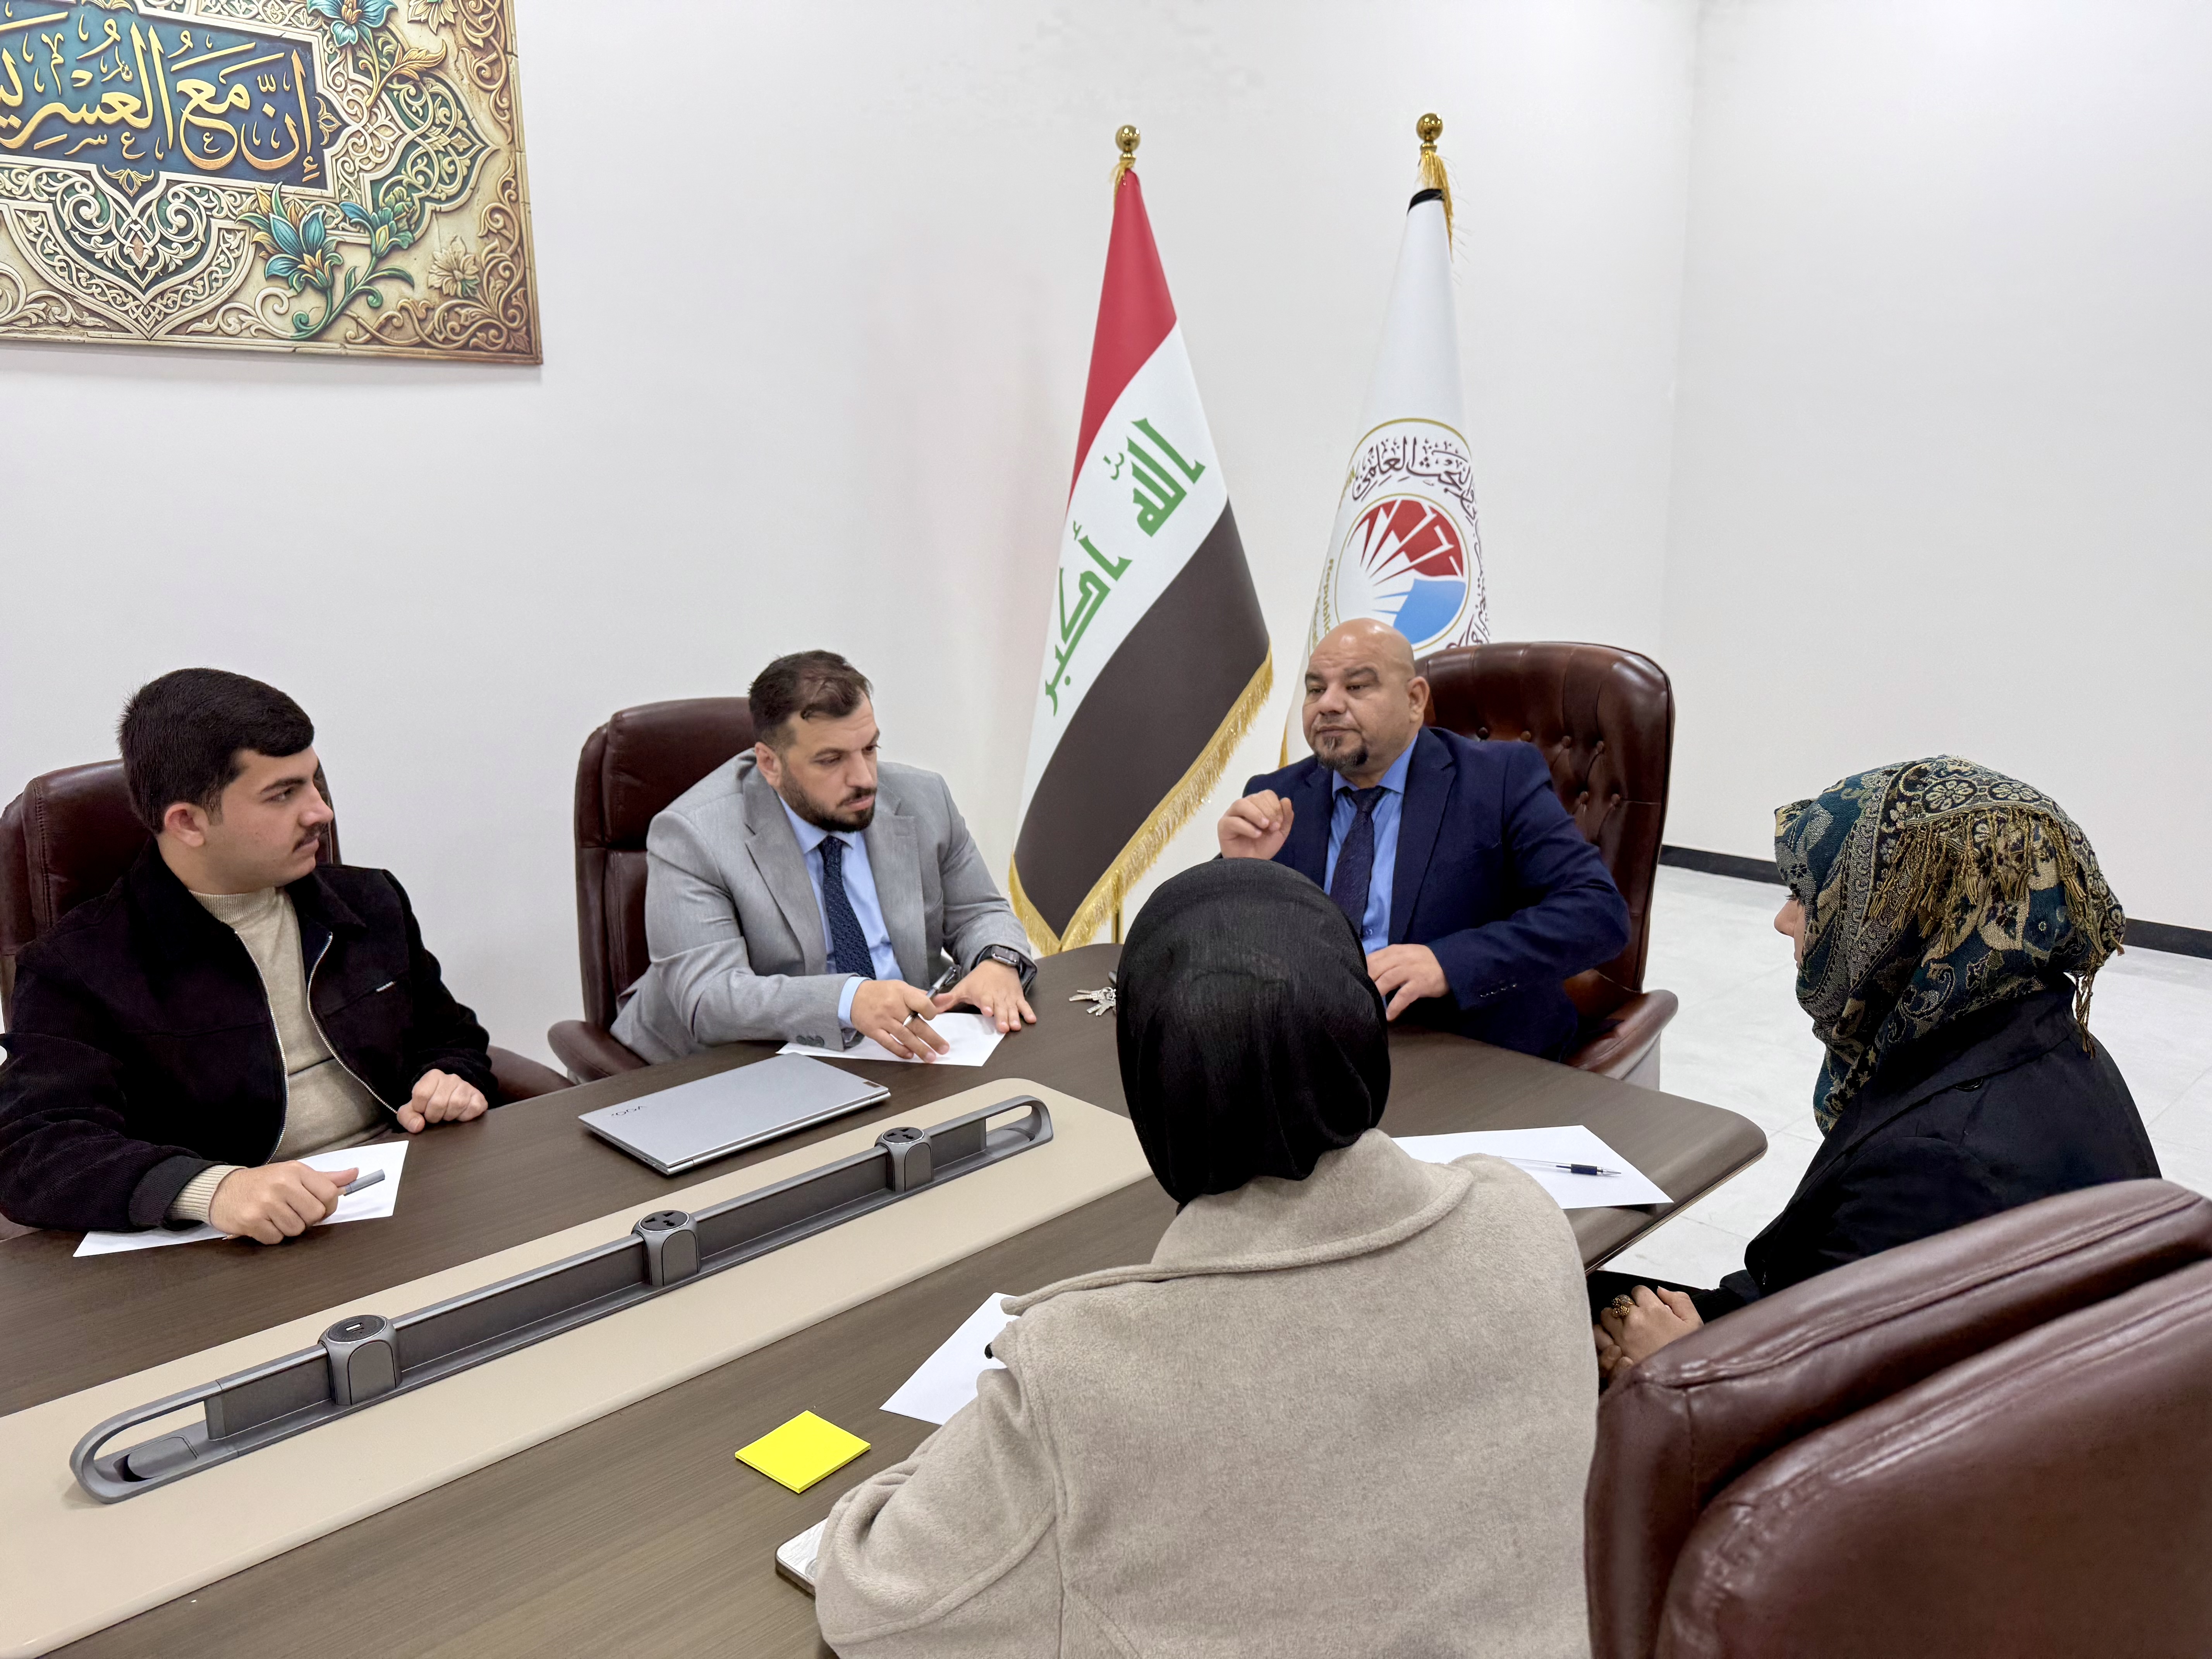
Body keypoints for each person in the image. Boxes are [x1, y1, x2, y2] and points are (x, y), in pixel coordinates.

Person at [813, 860, 1598, 1658]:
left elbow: (867, 1597)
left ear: (1147, 1079)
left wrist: (1012, 1419)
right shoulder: (1524, 1217)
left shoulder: (1082, 1377)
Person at [1592, 756, 2158, 1384]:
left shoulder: (1936, 1158)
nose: (1783, 921)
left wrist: (1684, 1361)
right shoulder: (2039, 1032)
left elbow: (1853, 1400)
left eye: (1808, 898)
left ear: (1900, 925)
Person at [0, 670, 499, 1240]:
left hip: (409, 1195)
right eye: (283, 794)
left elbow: (452, 1036)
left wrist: (449, 1077)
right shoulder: (76, 968)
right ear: (188, 823)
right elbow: (36, 1151)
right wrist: (212, 1190)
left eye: (314, 782)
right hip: (238, 1245)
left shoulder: (370, 901)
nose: (320, 812)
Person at [1218, 618, 1630, 1057]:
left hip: (1460, 1046)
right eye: (1316, 689)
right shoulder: (1278, 796)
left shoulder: (1498, 779)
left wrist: (1448, 964)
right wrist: (1236, 872)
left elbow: (1597, 912)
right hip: (1312, 1049)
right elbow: (1220, 954)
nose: (1328, 705)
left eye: (1356, 687)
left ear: (1415, 700)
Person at [612, 651, 1037, 1063]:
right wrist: (850, 1000)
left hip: (904, 1053)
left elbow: (980, 912)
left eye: (869, 749)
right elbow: (710, 998)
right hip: (732, 1065)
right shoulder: (694, 835)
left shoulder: (924, 798)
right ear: (770, 764)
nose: (864, 779)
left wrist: (997, 961)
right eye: (831, 760)